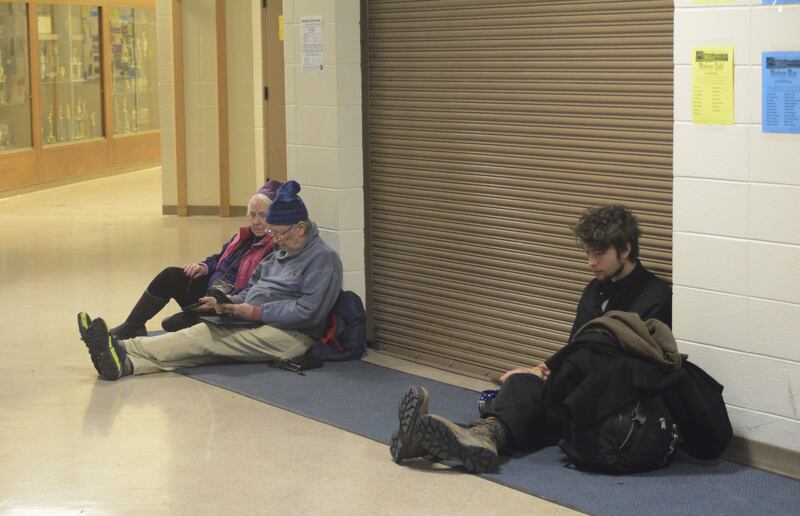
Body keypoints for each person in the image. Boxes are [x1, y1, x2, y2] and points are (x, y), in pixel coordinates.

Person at [389, 205, 673, 473]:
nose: (590, 262)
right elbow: (577, 345)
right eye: (587, 253)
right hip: (572, 391)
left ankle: (438, 439)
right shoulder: (594, 290)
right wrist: (543, 369)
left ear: (624, 249)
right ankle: (470, 437)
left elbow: (631, 363)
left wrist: (552, 373)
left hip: (607, 400)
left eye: (598, 254)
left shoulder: (654, 296)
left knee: (525, 401)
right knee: (523, 385)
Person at [76, 180, 343, 380]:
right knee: (203, 349)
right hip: (255, 318)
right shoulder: (281, 251)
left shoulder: (323, 260)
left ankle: (122, 347)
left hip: (292, 336)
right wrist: (230, 303)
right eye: (273, 233)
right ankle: (126, 365)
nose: (276, 240)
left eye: (281, 233)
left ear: (301, 227)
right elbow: (253, 286)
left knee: (207, 337)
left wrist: (255, 311)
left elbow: (309, 313)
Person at [108, 180, 283, 339]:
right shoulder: (243, 236)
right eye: (252, 215)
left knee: (172, 325)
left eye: (263, 215)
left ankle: (200, 319)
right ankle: (133, 326)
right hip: (213, 290)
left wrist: (222, 302)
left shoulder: (276, 247)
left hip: (232, 305)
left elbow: (257, 290)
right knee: (171, 275)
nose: (256, 221)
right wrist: (204, 267)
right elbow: (218, 258)